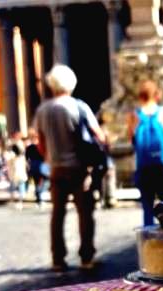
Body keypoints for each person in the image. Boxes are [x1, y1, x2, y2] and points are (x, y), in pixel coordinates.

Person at [34, 64, 106, 271]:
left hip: (56, 168)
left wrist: (51, 157)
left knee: (57, 214)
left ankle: (58, 259)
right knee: (85, 212)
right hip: (79, 167)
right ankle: (86, 257)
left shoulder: (43, 110)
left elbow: (40, 143)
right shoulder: (79, 106)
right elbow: (98, 135)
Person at [126, 80, 163, 226]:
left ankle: (149, 245)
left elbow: (132, 141)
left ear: (140, 96)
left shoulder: (133, 116)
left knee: (147, 209)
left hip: (144, 169)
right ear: (157, 94)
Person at [25, 129, 47, 208]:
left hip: (33, 165)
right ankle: (39, 196)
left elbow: (27, 158)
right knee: (43, 181)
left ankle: (38, 199)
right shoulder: (41, 146)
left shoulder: (29, 147)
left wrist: (28, 166)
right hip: (41, 165)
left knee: (37, 182)